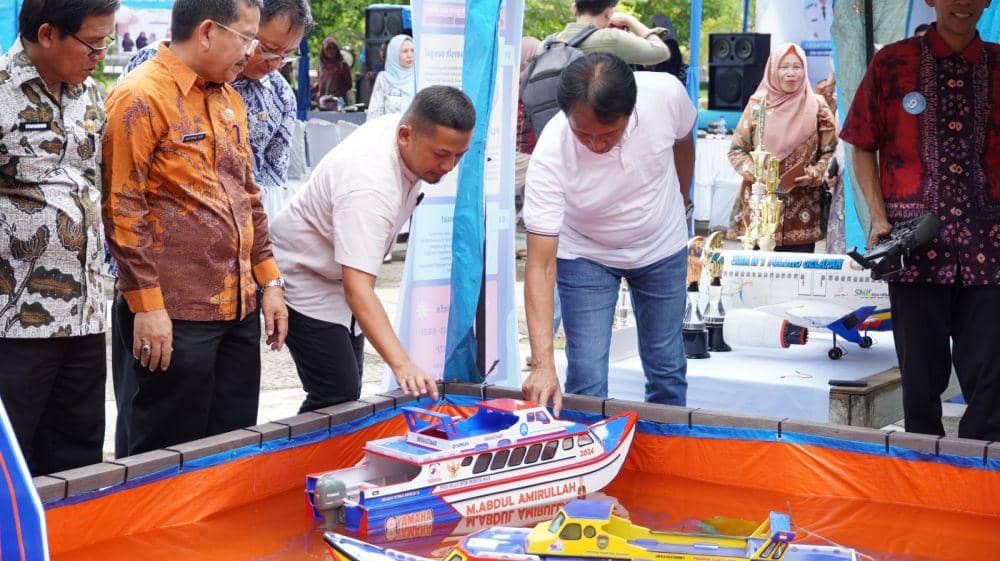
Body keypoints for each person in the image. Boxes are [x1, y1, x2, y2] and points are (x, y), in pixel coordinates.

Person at [103, 0, 289, 456]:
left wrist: (270, 281)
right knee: (162, 451)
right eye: (246, 38)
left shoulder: (229, 99)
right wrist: (147, 306)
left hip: (238, 309)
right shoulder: (140, 96)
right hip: (171, 315)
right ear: (207, 31)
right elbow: (122, 208)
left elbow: (249, 197)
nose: (250, 53)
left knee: (231, 445)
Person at [840, 0, 1000, 442]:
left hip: (991, 254)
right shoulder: (893, 63)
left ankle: (974, 477)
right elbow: (860, 144)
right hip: (915, 251)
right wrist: (877, 218)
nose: (963, 5)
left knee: (992, 384)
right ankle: (925, 475)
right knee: (920, 384)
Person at [269, 86, 475, 412]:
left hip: (339, 273)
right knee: (336, 393)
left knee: (347, 391)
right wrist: (403, 365)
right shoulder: (370, 182)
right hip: (303, 275)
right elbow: (359, 290)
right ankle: (300, 461)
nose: (449, 167)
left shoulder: (407, 134)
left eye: (458, 156)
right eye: (441, 155)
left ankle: (331, 455)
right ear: (405, 135)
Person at [522, 53, 696, 416]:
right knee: (585, 375)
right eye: (583, 134)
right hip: (585, 254)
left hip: (661, 247)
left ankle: (665, 453)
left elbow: (683, 141)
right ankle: (590, 459)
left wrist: (682, 198)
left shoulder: (665, 96)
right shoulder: (550, 155)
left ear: (631, 111)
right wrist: (542, 364)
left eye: (608, 134)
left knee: (666, 365)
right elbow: (539, 267)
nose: (597, 145)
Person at [0, 0, 118, 476]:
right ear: (48, 33)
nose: (101, 55)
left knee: (77, 459)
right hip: (15, 323)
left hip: (85, 317)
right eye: (93, 42)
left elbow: (93, 185)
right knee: (11, 464)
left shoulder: (90, 94)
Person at [119, 0, 311, 217]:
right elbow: (123, 175)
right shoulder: (156, 65)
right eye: (268, 50)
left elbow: (271, 183)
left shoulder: (280, 95)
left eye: (286, 55)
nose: (275, 64)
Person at [728, 43, 837, 253]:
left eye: (797, 67)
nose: (790, 73)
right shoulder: (758, 104)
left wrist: (814, 173)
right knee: (756, 278)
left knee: (798, 278)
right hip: (759, 206)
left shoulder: (817, 106)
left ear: (804, 70)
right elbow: (736, 150)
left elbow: (830, 152)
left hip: (802, 210)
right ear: (773, 70)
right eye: (784, 67)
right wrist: (759, 174)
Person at [544, 0, 671, 67]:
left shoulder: (548, 43)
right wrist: (630, 20)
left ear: (574, 9)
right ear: (609, 13)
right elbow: (661, 52)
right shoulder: (612, 39)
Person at [367, 35, 415, 120]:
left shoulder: (419, 76)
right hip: (389, 131)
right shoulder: (384, 78)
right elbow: (374, 112)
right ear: (394, 53)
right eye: (405, 51)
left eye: (412, 51)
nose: (410, 55)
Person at [316, 36, 353, 108]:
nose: (331, 51)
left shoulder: (343, 65)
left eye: (334, 48)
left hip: (338, 101)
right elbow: (319, 84)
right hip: (322, 102)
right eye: (328, 48)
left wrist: (336, 94)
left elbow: (349, 85)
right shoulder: (321, 66)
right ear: (323, 50)